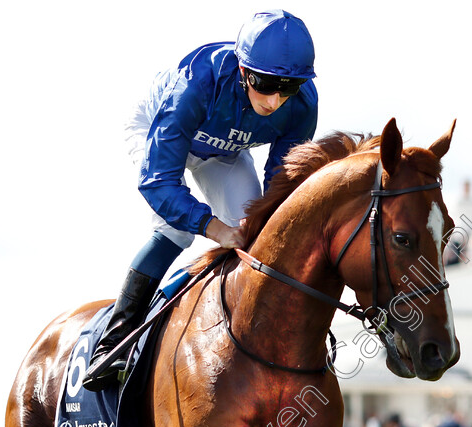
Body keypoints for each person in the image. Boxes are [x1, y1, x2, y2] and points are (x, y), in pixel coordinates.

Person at [82, 10, 318, 390]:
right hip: (159, 127)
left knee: (256, 233)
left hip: (223, 149)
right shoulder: (197, 82)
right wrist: (212, 226)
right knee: (175, 230)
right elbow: (158, 182)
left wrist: (249, 223)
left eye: (287, 87)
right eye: (266, 83)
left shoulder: (302, 103)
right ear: (243, 70)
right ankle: (114, 344)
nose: (275, 100)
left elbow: (281, 181)